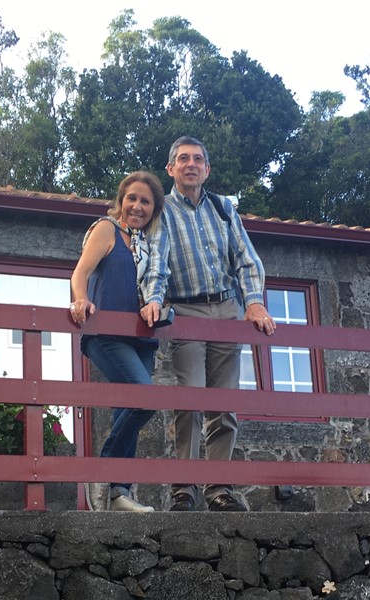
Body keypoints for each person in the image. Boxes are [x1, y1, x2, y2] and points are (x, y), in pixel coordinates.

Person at [141, 136, 276, 512]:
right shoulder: (162, 210)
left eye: (198, 159)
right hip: (186, 311)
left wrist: (253, 302)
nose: (191, 164)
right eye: (183, 159)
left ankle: (219, 488)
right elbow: (157, 259)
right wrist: (153, 298)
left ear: (207, 169)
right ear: (170, 168)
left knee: (225, 402)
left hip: (227, 308)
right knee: (191, 398)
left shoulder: (223, 207)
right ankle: (184, 488)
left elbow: (246, 258)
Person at [70, 170, 164, 512]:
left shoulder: (150, 243)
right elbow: (80, 272)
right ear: (120, 201)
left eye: (145, 201)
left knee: (127, 411)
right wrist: (81, 300)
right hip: (106, 334)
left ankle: (119, 492)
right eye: (131, 198)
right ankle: (103, 472)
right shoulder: (106, 229)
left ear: (154, 208)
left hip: (142, 339)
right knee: (145, 399)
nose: (137, 206)